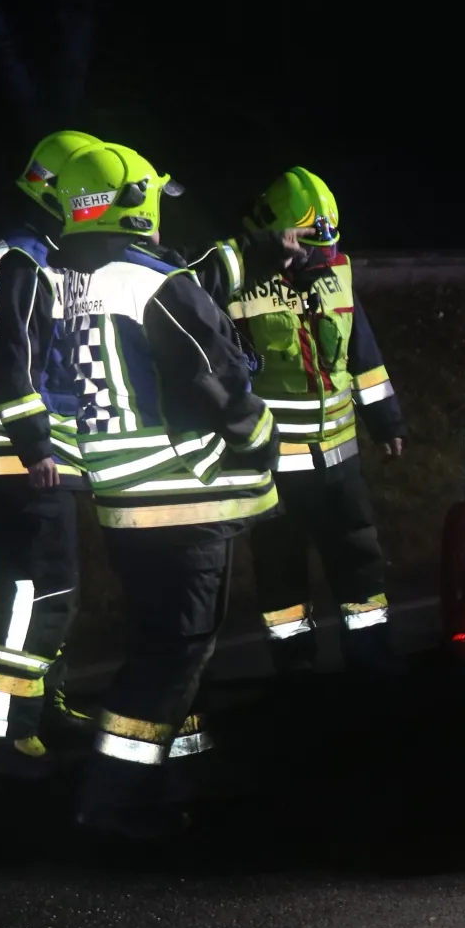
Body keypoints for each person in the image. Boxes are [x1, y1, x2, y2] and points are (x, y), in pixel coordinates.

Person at [47, 141, 281, 840]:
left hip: (122, 501)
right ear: (134, 201)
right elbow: (219, 381)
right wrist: (259, 436)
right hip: (183, 496)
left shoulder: (65, 282)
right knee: (174, 650)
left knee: (167, 645)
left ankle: (181, 774)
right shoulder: (155, 281)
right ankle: (114, 796)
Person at [187, 168, 407, 678]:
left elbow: (363, 355)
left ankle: (372, 656)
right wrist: (256, 254)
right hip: (275, 464)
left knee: (359, 558)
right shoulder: (237, 279)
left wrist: (386, 420)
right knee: (280, 570)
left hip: (340, 459)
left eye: (324, 245)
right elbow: (189, 289)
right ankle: (295, 666)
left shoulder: (339, 273)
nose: (320, 257)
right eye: (306, 244)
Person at [0, 129, 103, 776]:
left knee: (51, 590)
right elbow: (7, 361)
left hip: (36, 457)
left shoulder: (38, 260)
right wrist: (36, 445)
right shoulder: (21, 263)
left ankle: (40, 708)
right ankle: (7, 729)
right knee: (38, 594)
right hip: (20, 459)